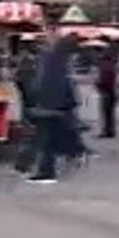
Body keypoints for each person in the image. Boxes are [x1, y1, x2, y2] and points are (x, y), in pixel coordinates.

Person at [28, 35, 80, 184]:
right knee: (54, 137)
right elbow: (66, 85)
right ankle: (71, 153)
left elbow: (39, 84)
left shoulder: (49, 62)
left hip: (48, 106)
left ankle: (46, 172)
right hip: (57, 106)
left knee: (46, 141)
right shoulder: (60, 62)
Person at [95, 47, 118, 138]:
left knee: (105, 113)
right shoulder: (112, 65)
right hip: (112, 91)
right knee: (110, 113)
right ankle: (111, 130)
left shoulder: (104, 66)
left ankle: (106, 130)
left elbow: (104, 81)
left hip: (105, 92)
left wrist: (97, 84)